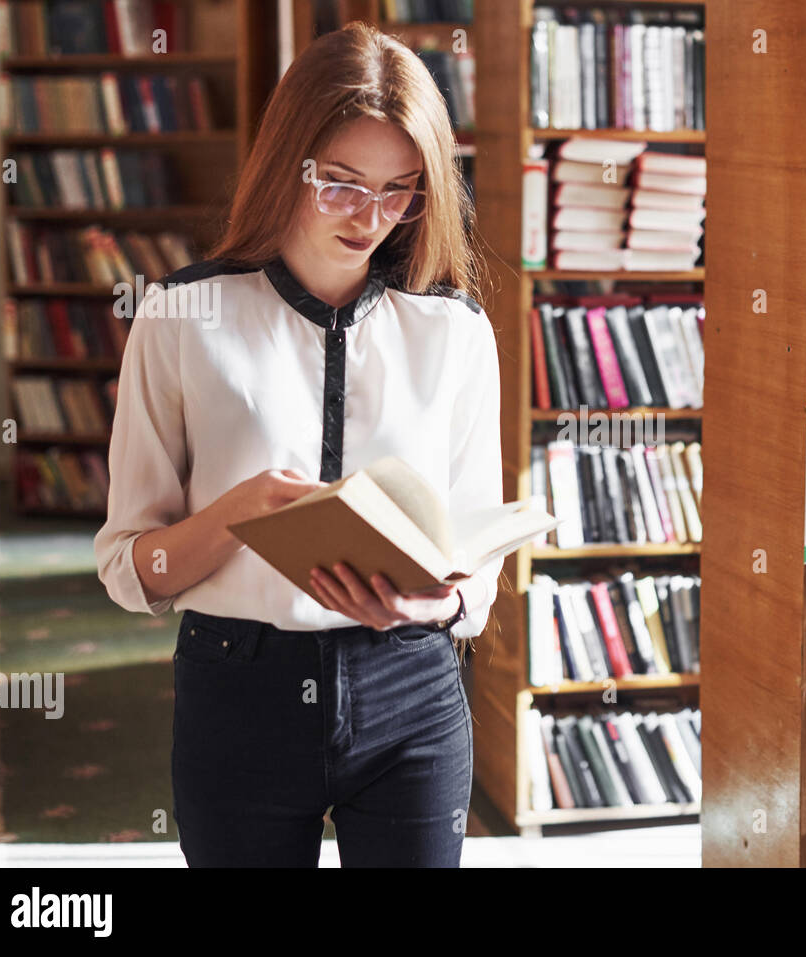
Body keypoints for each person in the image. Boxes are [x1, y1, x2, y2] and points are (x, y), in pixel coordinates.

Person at [93, 22, 502, 867]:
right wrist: (237, 514)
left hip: (412, 688)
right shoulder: (179, 317)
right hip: (238, 683)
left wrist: (444, 603)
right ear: (288, 162)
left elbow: (478, 557)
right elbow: (131, 569)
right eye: (343, 184)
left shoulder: (455, 331)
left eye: (402, 190)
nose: (372, 218)